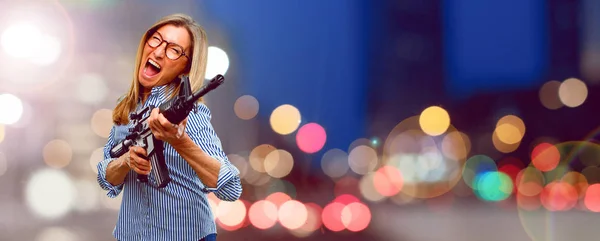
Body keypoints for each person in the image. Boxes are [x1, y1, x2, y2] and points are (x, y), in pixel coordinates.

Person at [96, 13, 242, 241]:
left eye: (174, 50)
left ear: (185, 69)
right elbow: (107, 179)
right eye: (156, 39)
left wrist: (178, 140)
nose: (158, 51)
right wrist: (126, 161)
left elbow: (231, 189)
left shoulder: (189, 114)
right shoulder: (127, 109)